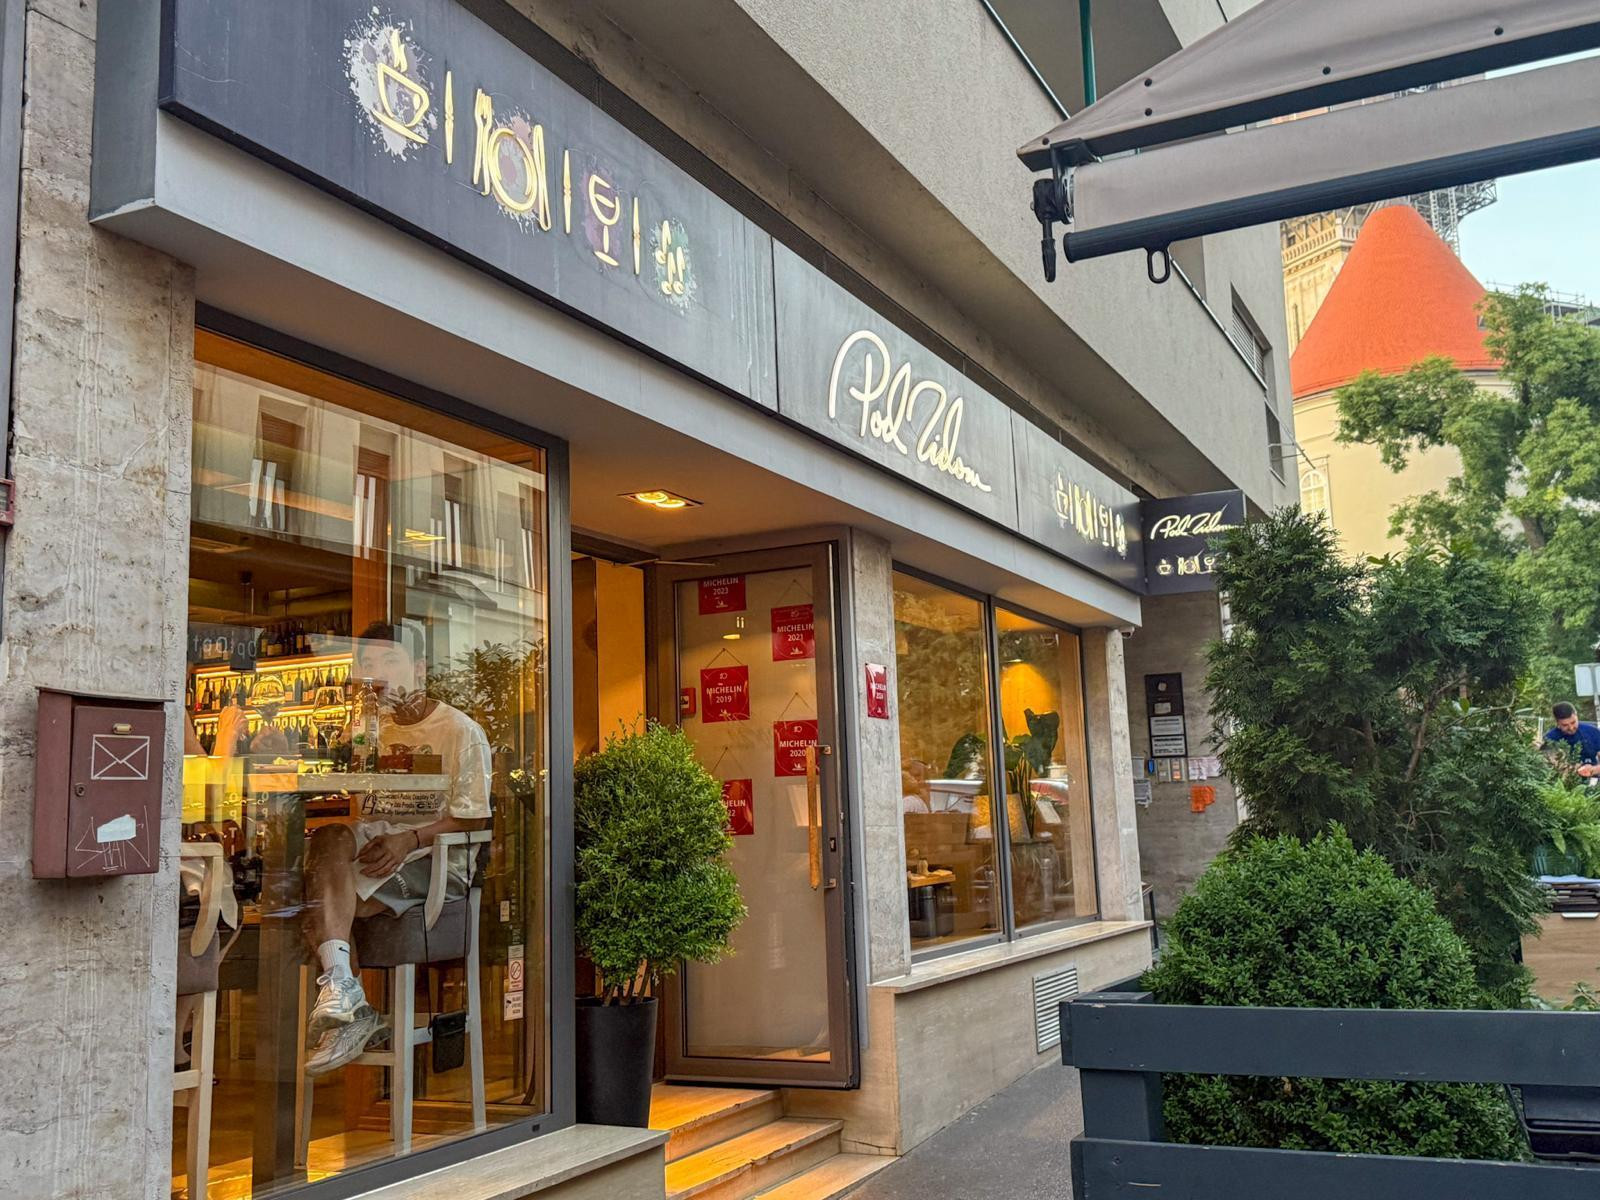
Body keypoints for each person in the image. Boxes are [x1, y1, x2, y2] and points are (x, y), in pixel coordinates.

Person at [300, 621, 493, 1075]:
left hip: (435, 855)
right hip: (377, 840)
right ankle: (346, 992)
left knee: (318, 900)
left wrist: (411, 838)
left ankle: (350, 1012)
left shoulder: (460, 730)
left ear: (419, 670)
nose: (377, 672)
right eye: (368, 663)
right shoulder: (370, 727)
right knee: (327, 839)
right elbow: (351, 791)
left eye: (389, 660)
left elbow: (474, 817)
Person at [1542, 701, 1600, 778]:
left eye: (1573, 722)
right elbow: (1550, 765)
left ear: (1576, 716)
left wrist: (1593, 770)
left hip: (1593, 779)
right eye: (1565, 725)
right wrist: (1573, 769)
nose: (1571, 728)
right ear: (1557, 723)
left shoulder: (1592, 731)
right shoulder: (1550, 739)